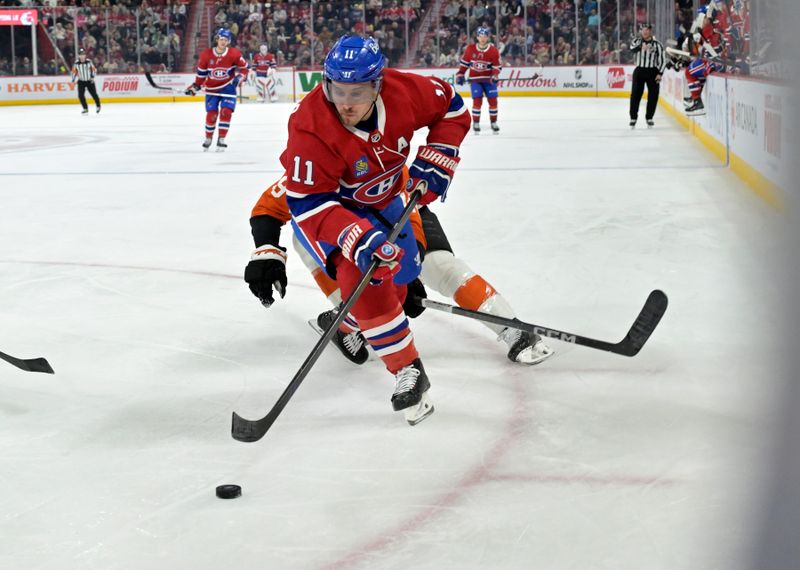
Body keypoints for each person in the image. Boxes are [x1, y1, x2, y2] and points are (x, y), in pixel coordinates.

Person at [275, 35, 471, 426]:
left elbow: (451, 107)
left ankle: (343, 323)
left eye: (358, 91)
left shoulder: (404, 91)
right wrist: (356, 237)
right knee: (366, 278)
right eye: (337, 90)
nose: (345, 102)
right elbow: (308, 203)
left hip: (387, 202)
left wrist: (439, 156)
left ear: (378, 84)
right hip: (333, 213)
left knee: (400, 276)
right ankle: (406, 371)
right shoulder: (310, 125)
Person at [245, 173, 555, 368]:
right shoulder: (310, 168)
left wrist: (408, 271)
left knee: (440, 267)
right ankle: (346, 322)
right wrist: (266, 252)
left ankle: (510, 326)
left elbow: (409, 211)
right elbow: (267, 209)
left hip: (403, 222)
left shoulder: (380, 151)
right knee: (353, 290)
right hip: (344, 240)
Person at [184, 28, 248, 151]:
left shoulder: (234, 54)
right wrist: (195, 87)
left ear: (228, 41)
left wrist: (240, 77)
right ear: (217, 39)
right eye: (221, 39)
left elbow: (245, 68)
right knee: (212, 114)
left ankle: (221, 139)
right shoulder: (206, 55)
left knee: (226, 112)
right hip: (212, 88)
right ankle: (208, 138)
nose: (223, 42)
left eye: (226, 40)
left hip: (228, 88)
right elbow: (201, 75)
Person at [456, 27, 501, 134]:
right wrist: (460, 74)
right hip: (475, 80)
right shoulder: (470, 49)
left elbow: (496, 66)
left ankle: (493, 123)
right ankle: (476, 123)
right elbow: (464, 64)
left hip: (489, 81)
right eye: (480, 36)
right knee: (477, 101)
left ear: (488, 37)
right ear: (477, 37)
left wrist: (495, 75)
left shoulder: (493, 51)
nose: (483, 39)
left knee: (493, 101)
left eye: (485, 37)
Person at [628, 23, 665, 128]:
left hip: (652, 71)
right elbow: (631, 49)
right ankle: (633, 117)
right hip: (639, 71)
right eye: (643, 29)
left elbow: (662, 60)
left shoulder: (658, 44)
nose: (645, 31)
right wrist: (641, 47)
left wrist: (660, 73)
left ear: (650, 31)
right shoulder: (636, 41)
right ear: (640, 31)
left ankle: (649, 117)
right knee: (635, 95)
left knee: (653, 95)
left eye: (647, 29)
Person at [71, 49, 101, 115]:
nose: (82, 56)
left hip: (89, 81)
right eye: (81, 55)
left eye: (83, 54)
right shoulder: (76, 63)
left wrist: (92, 77)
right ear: (79, 56)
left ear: (85, 55)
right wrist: (73, 80)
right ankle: (85, 108)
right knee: (80, 96)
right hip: (81, 81)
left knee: (94, 94)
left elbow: (94, 70)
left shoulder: (89, 62)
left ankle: (98, 106)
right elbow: (74, 72)